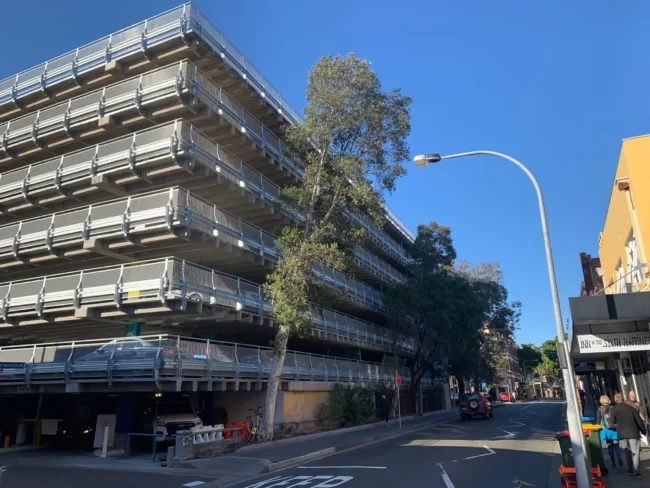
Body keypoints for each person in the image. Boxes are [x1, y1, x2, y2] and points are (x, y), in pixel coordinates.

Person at [611, 392, 647, 478]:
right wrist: (643, 431)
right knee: (635, 452)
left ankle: (630, 469)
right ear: (623, 399)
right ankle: (637, 471)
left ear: (615, 400)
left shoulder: (614, 409)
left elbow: (612, 421)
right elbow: (638, 420)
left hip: (622, 433)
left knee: (626, 452)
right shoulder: (631, 408)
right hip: (633, 432)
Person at [596, 395, 623, 468]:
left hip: (606, 429)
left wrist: (597, 428)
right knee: (616, 444)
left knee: (609, 445)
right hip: (614, 429)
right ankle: (619, 457)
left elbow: (598, 421)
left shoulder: (600, 409)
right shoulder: (613, 408)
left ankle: (613, 462)